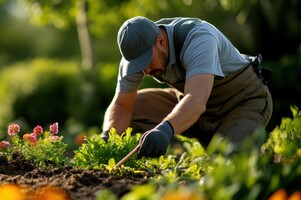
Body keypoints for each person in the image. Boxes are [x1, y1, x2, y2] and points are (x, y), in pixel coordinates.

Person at [101, 16, 273, 158]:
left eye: (147, 62)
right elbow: (122, 104)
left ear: (160, 41)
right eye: (138, 66)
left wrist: (164, 130)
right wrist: (108, 139)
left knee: (232, 161)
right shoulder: (135, 57)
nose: (145, 71)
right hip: (196, 108)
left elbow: (196, 99)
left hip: (241, 103)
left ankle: (257, 153)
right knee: (133, 108)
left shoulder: (198, 38)